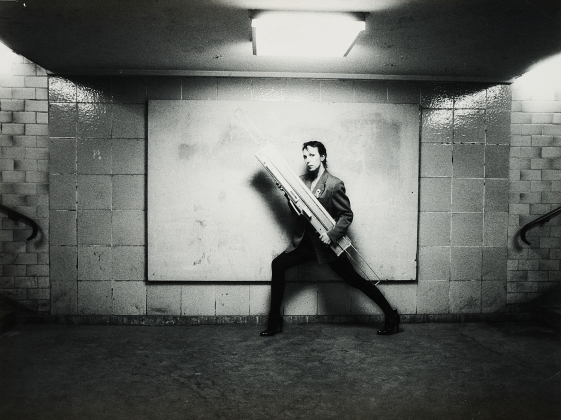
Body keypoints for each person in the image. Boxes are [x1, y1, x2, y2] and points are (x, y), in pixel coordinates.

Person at [260, 141, 400, 337]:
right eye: (305, 156)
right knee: (278, 265)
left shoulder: (334, 184)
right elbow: (297, 214)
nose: (308, 160)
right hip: (304, 244)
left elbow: (346, 215)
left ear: (323, 157)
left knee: (355, 280)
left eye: (312, 155)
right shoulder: (300, 182)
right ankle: (274, 321)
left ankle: (391, 315)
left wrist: (332, 235)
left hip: (326, 245)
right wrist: (288, 196)